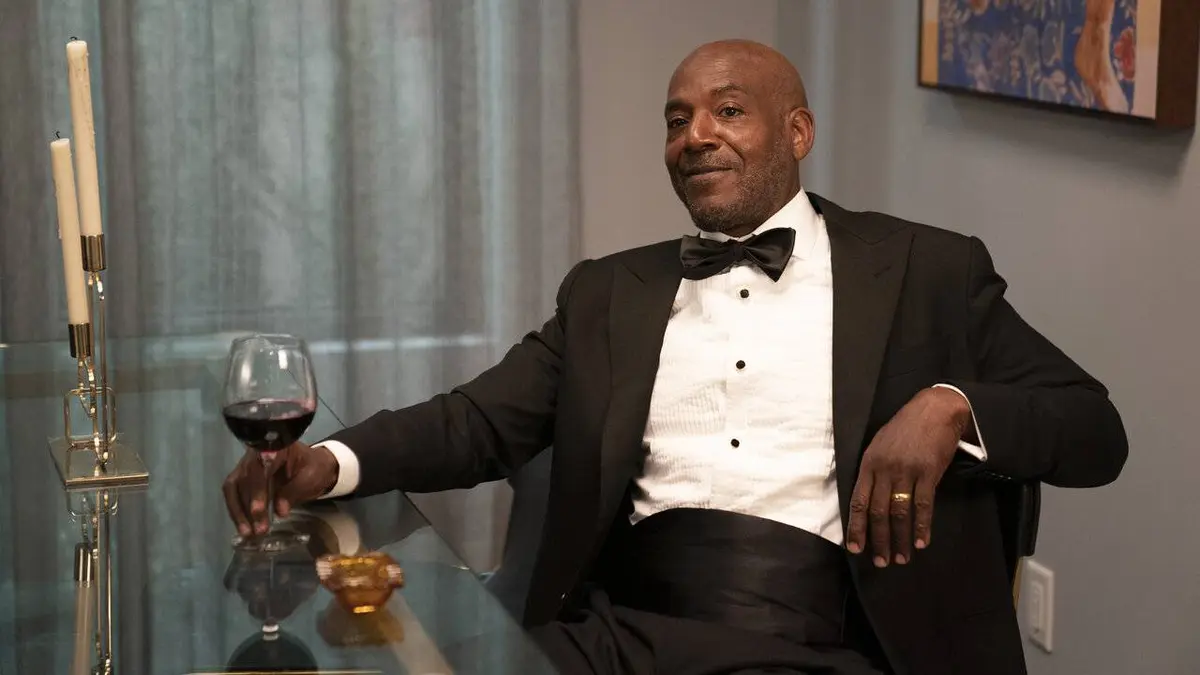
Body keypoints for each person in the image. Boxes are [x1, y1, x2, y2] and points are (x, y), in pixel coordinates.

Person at [222, 40, 1127, 675]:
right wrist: (325, 462)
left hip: (827, 637)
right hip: (616, 632)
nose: (696, 134)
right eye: (677, 118)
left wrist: (951, 404)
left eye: (728, 111)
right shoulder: (608, 292)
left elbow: (1094, 428)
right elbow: (477, 420)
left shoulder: (928, 268)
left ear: (798, 133)